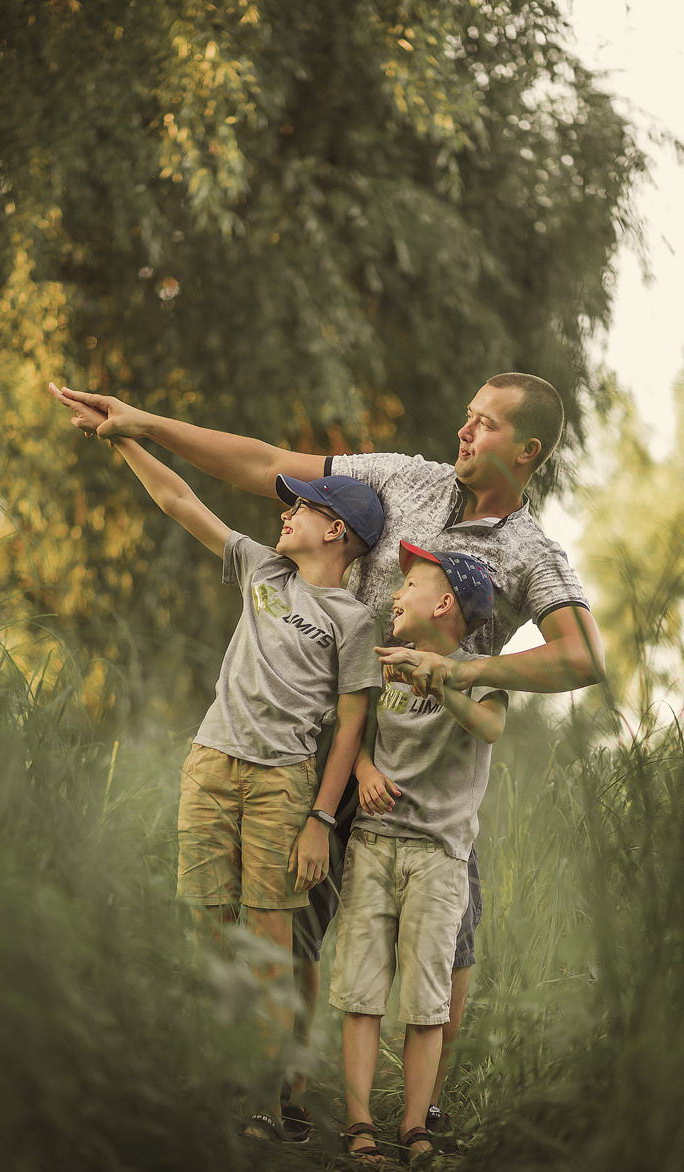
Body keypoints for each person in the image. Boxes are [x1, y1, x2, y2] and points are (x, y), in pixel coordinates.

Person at [49, 372, 606, 1126]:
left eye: (487, 424)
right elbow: (265, 463)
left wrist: (467, 672)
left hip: (428, 776)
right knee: (292, 922)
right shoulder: (405, 477)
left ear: (528, 450)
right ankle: (283, 1091)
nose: (465, 430)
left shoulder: (531, 553)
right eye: (467, 416)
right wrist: (142, 424)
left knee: (451, 943)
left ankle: (424, 1114)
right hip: (328, 751)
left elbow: (581, 657)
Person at [49, 381, 384, 1139]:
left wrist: (320, 820)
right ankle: (229, 1073)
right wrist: (123, 437)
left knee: (268, 941)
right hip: (210, 764)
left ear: (335, 530)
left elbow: (350, 727)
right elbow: (179, 501)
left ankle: (264, 1098)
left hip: (281, 785)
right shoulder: (262, 570)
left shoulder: (354, 620)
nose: (283, 514)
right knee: (208, 928)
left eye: (299, 508)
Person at [332, 541, 506, 1166]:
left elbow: (489, 727)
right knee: (361, 992)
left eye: (410, 585)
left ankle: (414, 1128)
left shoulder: (483, 673)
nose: (396, 593)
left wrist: (438, 679)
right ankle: (358, 1126)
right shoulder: (383, 661)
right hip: (374, 844)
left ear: (444, 604)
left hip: (439, 857)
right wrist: (364, 771)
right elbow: (357, 732)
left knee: (426, 1002)